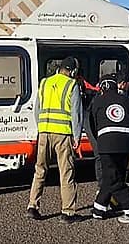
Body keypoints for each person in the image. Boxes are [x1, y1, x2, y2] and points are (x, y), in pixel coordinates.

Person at [26, 56, 84, 223]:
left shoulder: (44, 82)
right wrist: (77, 136)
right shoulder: (72, 85)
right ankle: (68, 212)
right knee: (66, 173)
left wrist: (42, 128)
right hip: (63, 135)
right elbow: (76, 114)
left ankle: (33, 206)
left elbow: (37, 109)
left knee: (40, 170)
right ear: (72, 71)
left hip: (44, 132)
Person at [88, 74, 129, 224]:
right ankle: (99, 209)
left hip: (108, 144)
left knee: (115, 181)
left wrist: (100, 140)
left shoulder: (97, 101)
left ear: (102, 87)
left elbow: (93, 125)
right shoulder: (127, 99)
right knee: (112, 176)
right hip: (128, 144)